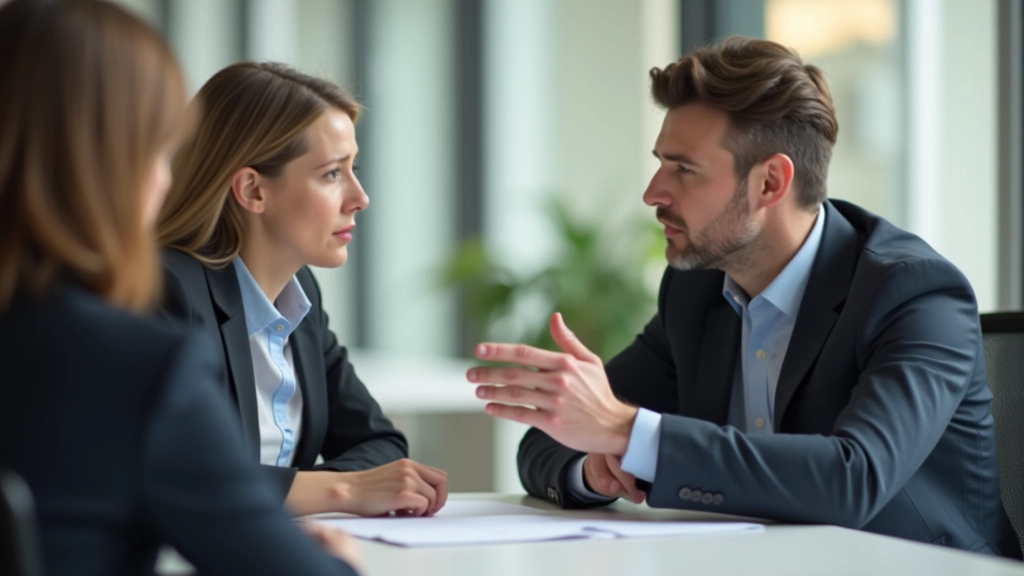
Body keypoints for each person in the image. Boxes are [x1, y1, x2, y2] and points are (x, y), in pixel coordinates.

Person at [467, 36, 1022, 558]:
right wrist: (595, 466)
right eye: (661, 162)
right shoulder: (696, 291)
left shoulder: (914, 293)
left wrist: (623, 429)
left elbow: (853, 479)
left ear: (770, 184)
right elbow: (546, 448)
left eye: (683, 170)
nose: (652, 193)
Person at [0, 0, 362, 574]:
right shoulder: (133, 364)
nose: (167, 178)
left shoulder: (300, 296)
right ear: (107, 165)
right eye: (157, 150)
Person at [156, 62, 448, 517]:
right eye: (332, 173)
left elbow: (381, 443)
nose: (360, 197)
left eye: (354, 168)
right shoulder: (169, 291)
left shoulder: (298, 295)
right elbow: (177, 473)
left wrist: (329, 488)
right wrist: (343, 491)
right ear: (253, 190)